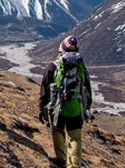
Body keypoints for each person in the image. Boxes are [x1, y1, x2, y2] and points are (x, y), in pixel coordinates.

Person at [38, 35, 93, 168]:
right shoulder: (80, 67)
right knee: (75, 138)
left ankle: (61, 158)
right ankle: (74, 165)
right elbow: (87, 88)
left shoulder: (53, 67)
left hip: (57, 109)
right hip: (76, 107)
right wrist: (86, 107)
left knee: (57, 131)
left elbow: (44, 89)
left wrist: (41, 109)